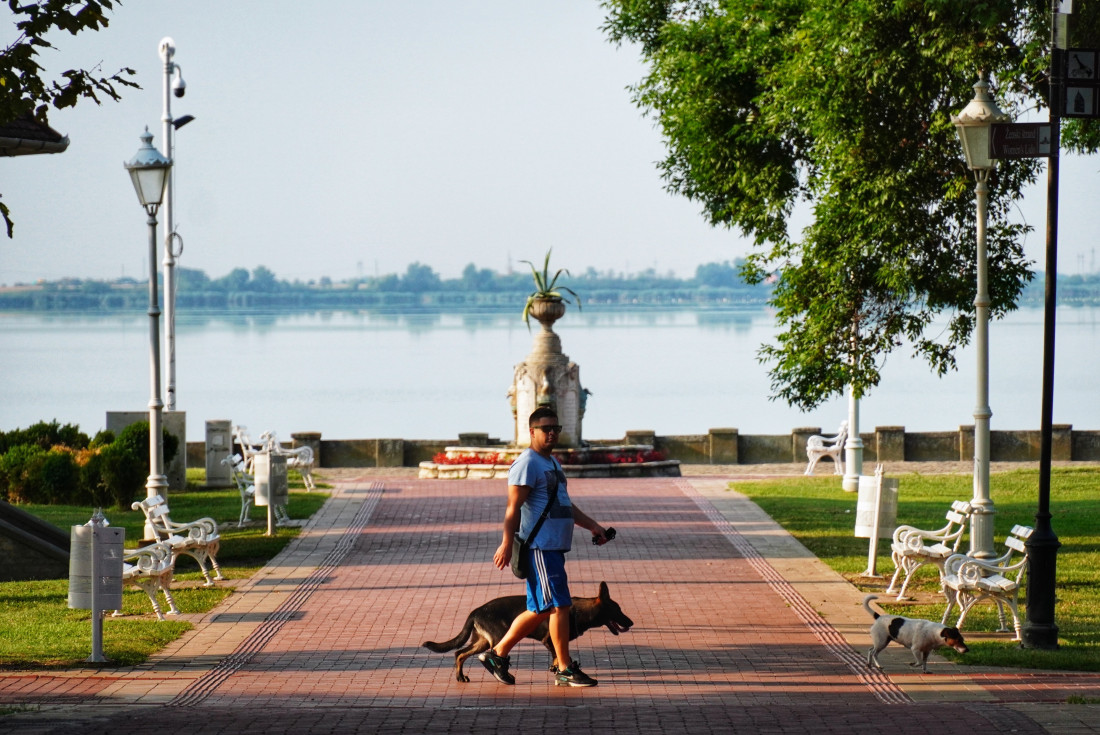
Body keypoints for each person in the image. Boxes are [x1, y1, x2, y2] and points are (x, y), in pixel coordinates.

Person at [479, 406, 611, 687]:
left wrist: (593, 526)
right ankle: (564, 668)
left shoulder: (551, 463)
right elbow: (513, 508)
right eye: (546, 428)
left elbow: (565, 505)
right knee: (560, 606)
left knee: (539, 608)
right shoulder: (527, 463)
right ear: (532, 432)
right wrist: (505, 543)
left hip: (554, 548)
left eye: (556, 428)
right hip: (540, 547)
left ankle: (497, 654)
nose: (552, 433)